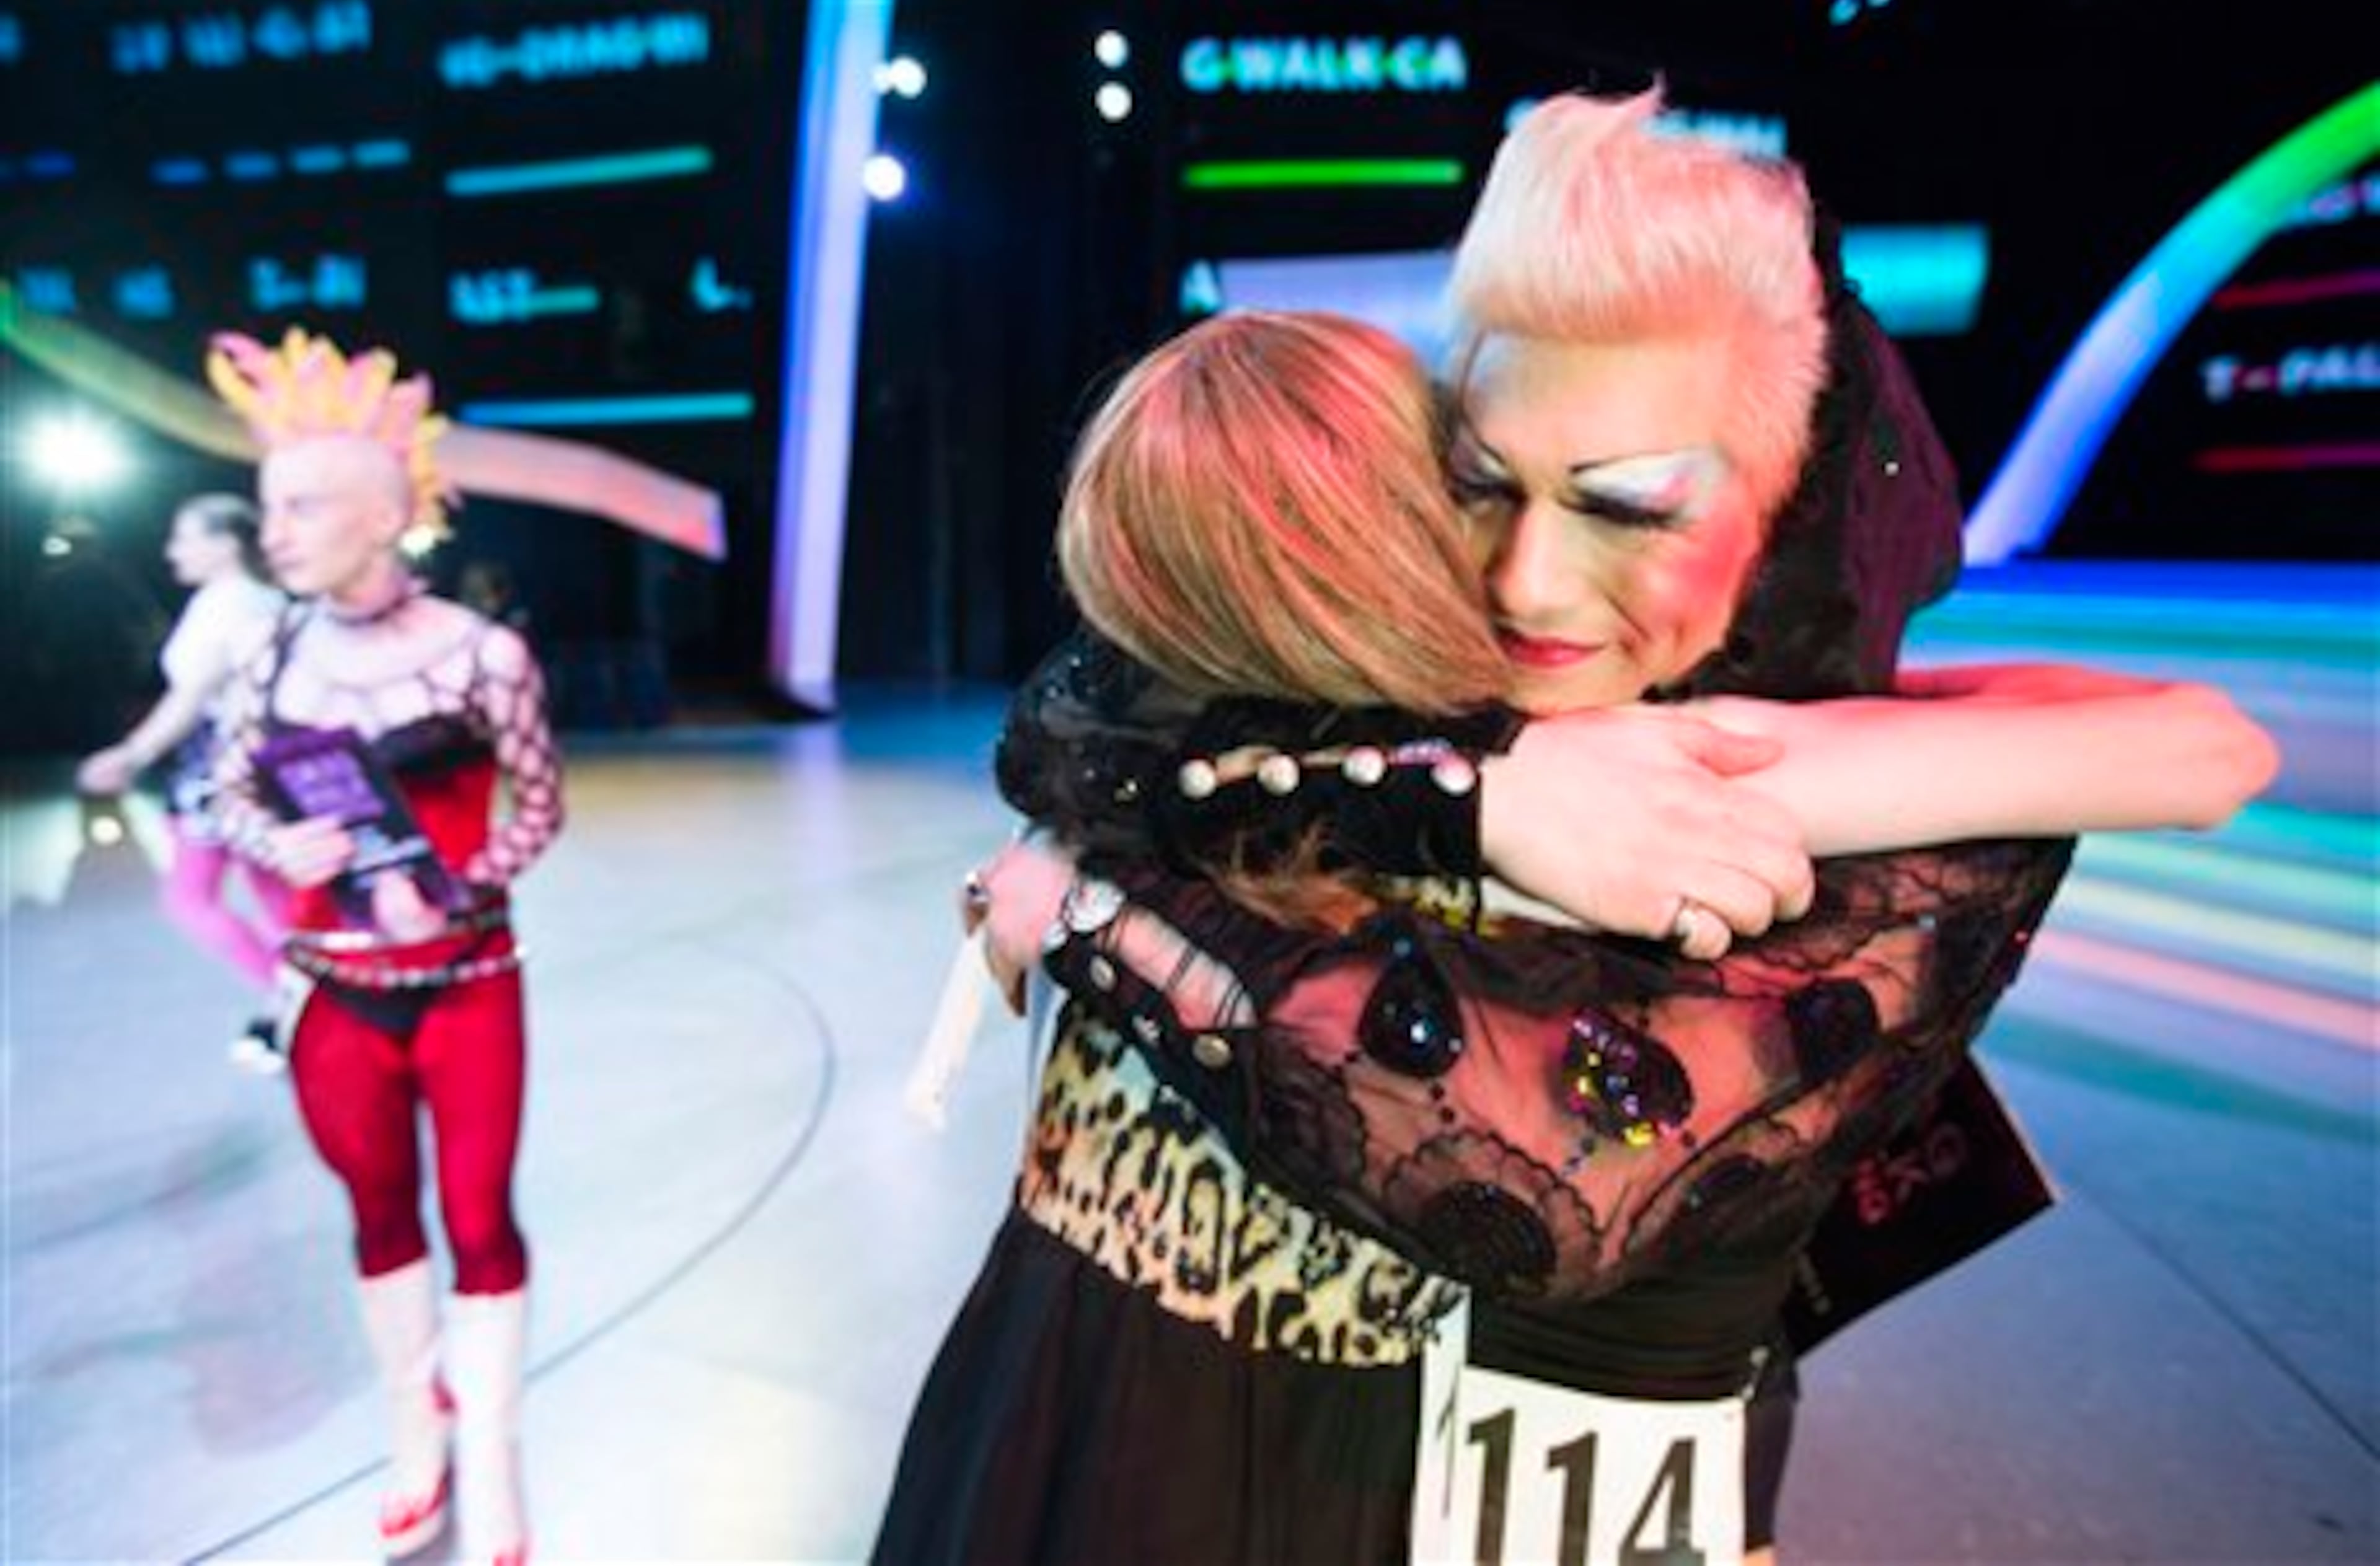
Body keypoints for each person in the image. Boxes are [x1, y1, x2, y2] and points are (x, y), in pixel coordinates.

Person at [877, 96, 2276, 1566]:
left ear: (1791, 498)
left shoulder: (1904, 825)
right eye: (1479, 484)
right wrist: (1466, 792)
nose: (1527, 585)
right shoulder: (1395, 703)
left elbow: (1528, 1193)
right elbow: (1067, 719)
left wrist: (1099, 914)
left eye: (1629, 509)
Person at [205, 328, 562, 1566]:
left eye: (301, 506)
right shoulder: (269, 658)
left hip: (466, 982)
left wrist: (466, 882)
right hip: (334, 991)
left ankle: (496, 1455)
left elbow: (538, 808)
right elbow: (227, 796)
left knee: (479, 1214)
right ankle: (419, 1430)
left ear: (384, 511)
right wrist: (273, 845)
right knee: (375, 1210)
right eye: (268, 508)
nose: (279, 531)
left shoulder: (481, 654)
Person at [76, 492, 294, 1071]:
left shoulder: (231, 604)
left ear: (224, 544)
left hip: (220, 765)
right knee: (277, 897)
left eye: (183, 536)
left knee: (190, 898)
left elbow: (192, 693)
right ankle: (294, 1003)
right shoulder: (260, 599)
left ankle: (295, 995)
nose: (172, 549)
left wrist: (131, 752)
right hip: (260, 763)